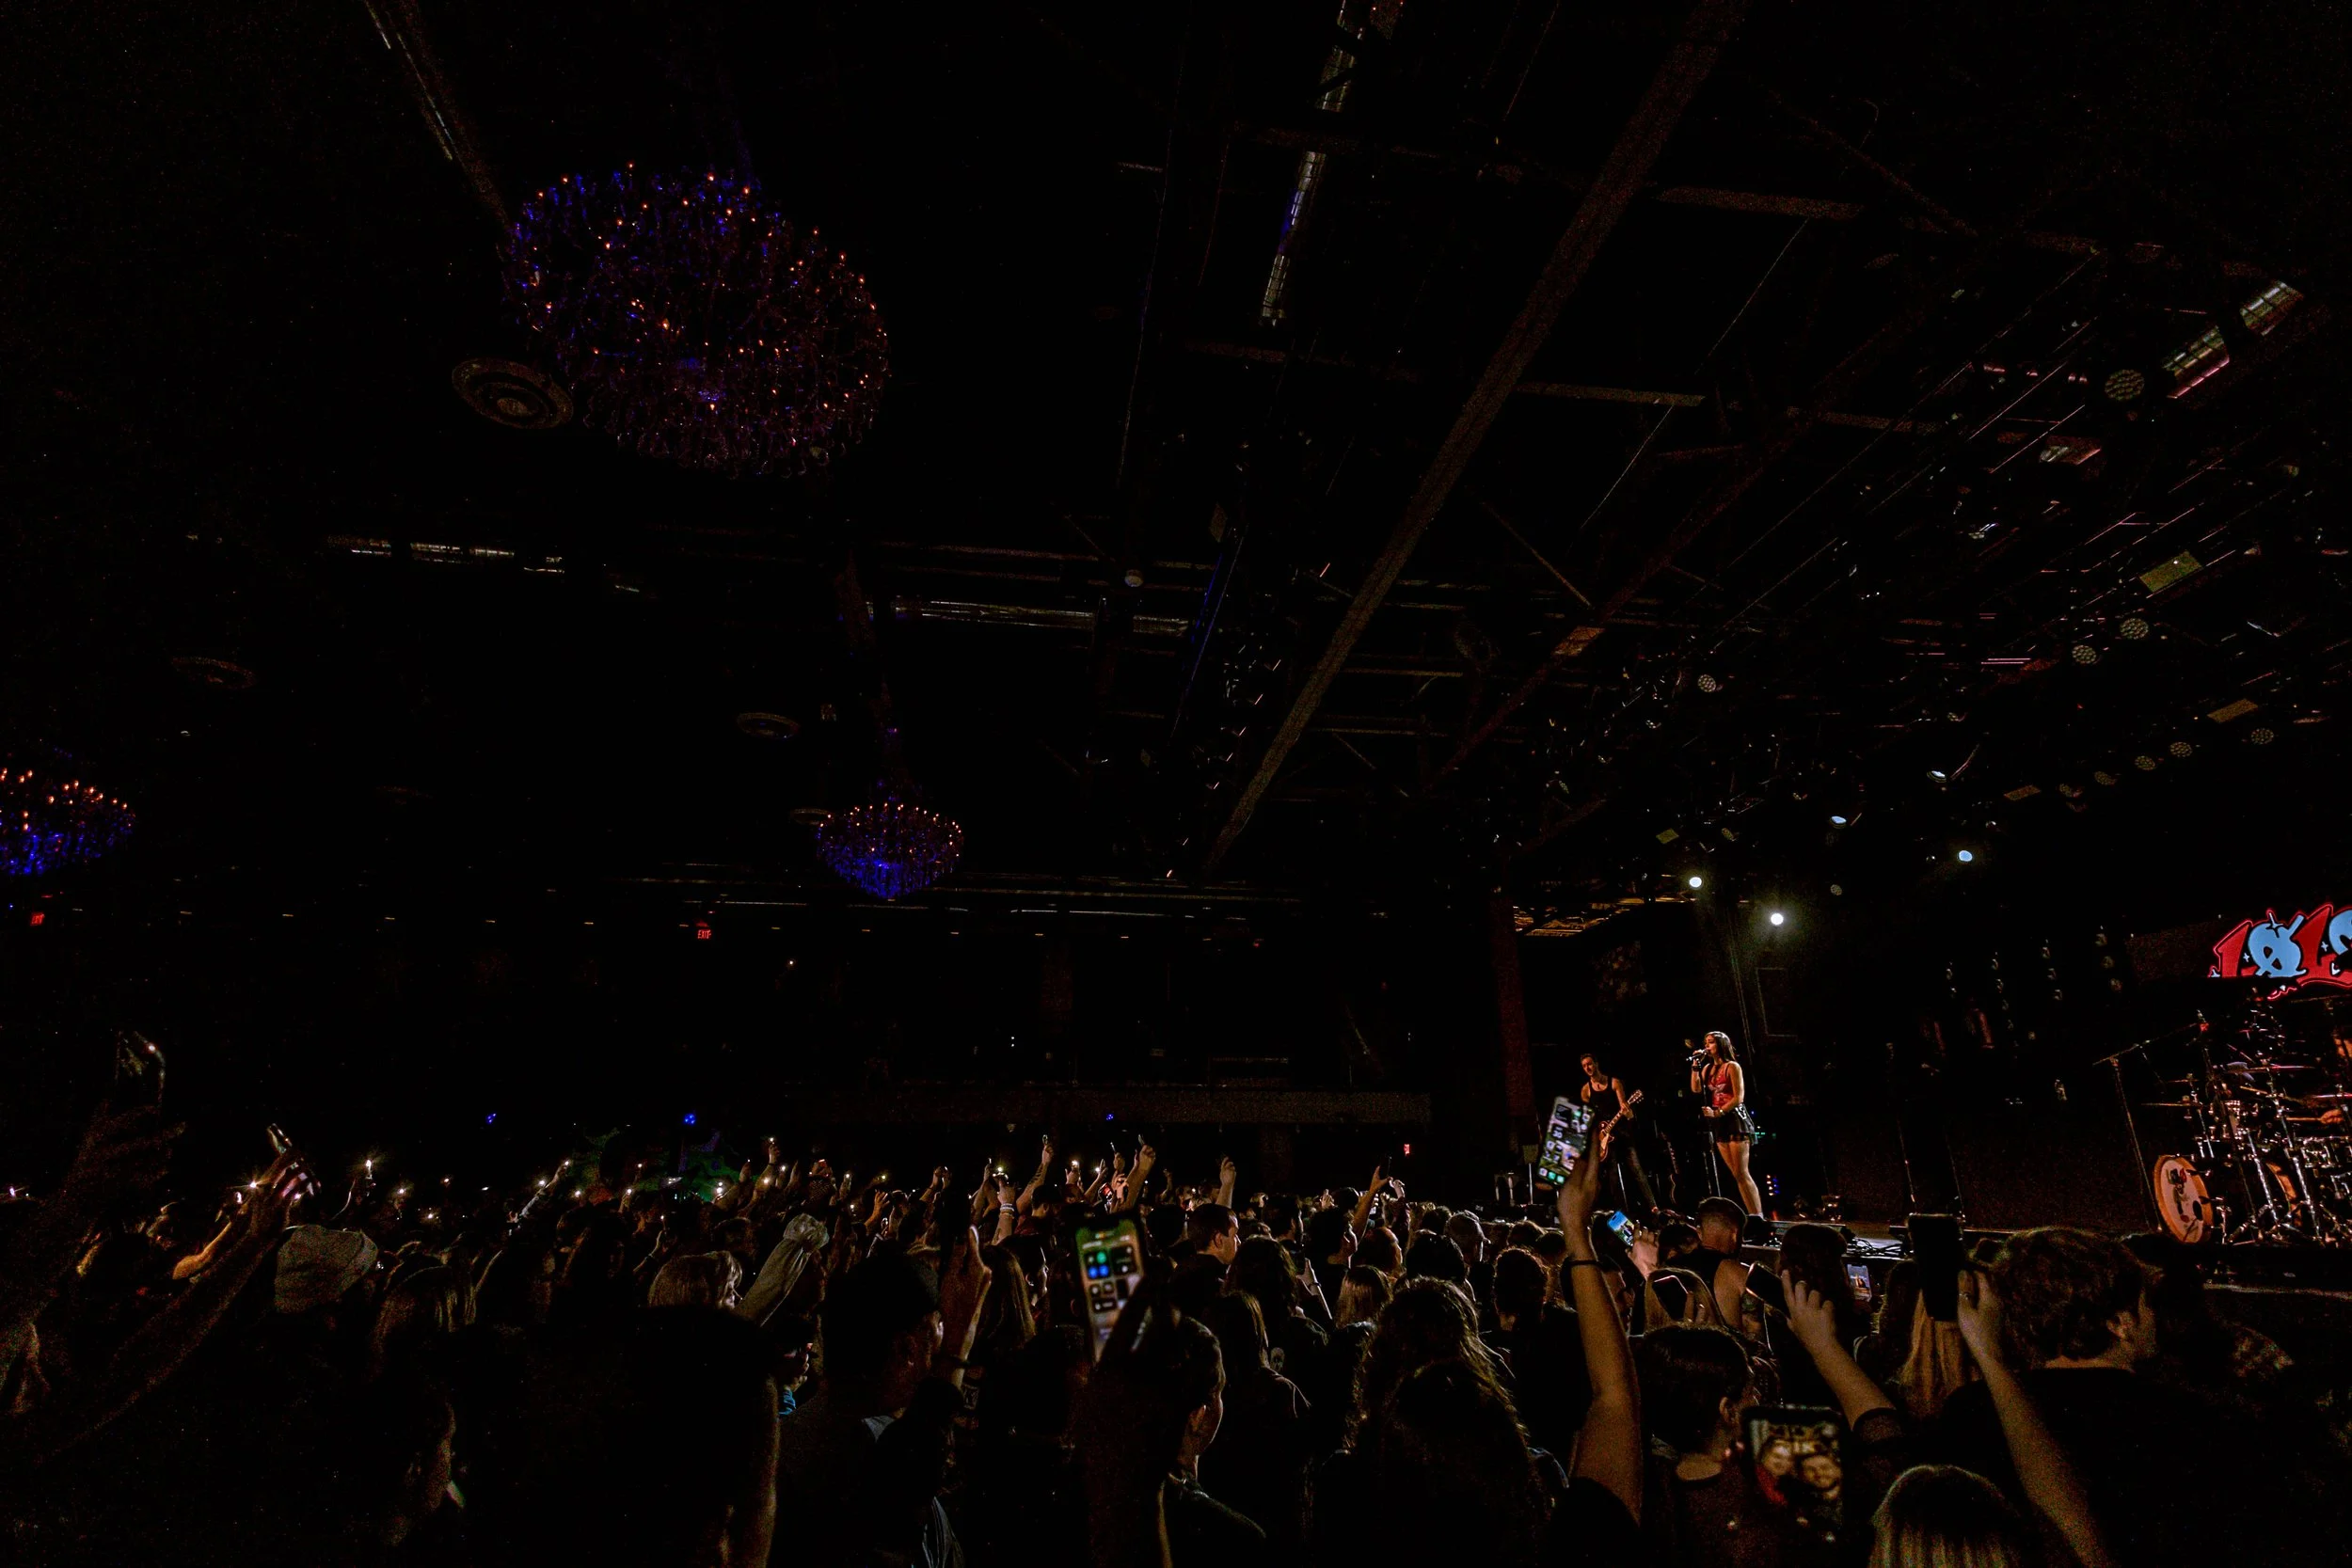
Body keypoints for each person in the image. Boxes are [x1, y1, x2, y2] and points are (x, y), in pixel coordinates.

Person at [1930, 1227, 2279, 1568]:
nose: (2154, 1317)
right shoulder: (2198, 1421)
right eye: (2146, 1303)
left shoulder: (1972, 1414)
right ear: (2120, 1322)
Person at [774, 1237, 991, 1568]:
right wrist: (955, 1354)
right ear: (906, 1349)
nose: (943, 1337)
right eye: (938, 1327)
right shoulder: (858, 1453)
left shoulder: (797, 1434)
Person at [1484, 1245, 1589, 1457]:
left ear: (1497, 1298)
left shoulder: (1489, 1348)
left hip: (1517, 1452)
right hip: (1567, 1446)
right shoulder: (1571, 1328)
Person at [1692, 1030, 1763, 1215]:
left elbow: (1739, 1097)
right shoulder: (1708, 1069)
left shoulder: (1732, 1066)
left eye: (1711, 1042)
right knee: (1735, 1174)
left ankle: (1758, 1216)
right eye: (1706, 1043)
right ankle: (1752, 1215)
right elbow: (1696, 1088)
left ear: (1721, 1044)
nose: (1707, 1046)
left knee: (1741, 1172)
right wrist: (1695, 1067)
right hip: (1719, 1122)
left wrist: (1718, 1112)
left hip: (1734, 1118)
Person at [1580, 1051, 1657, 1212]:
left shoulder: (1614, 1083)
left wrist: (1627, 1112)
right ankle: (1622, 1213)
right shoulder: (1586, 1090)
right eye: (1584, 1066)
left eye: (1590, 1064)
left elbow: (1625, 1108)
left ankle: (1653, 1207)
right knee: (1613, 1176)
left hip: (1621, 1131)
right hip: (1604, 1136)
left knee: (1636, 1169)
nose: (1588, 1068)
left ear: (1596, 1064)